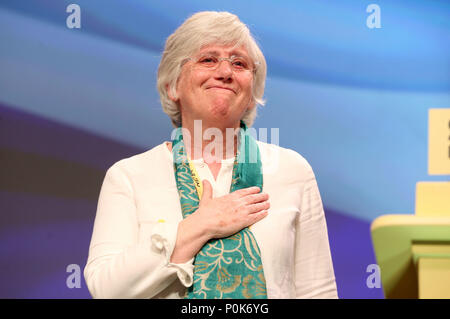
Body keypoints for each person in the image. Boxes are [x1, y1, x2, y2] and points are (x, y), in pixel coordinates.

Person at [84, 11, 338, 299]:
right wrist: (198, 226)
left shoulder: (292, 170)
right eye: (208, 59)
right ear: (173, 85)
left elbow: (318, 293)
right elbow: (106, 290)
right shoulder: (129, 176)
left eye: (239, 63)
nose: (225, 72)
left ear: (252, 91)